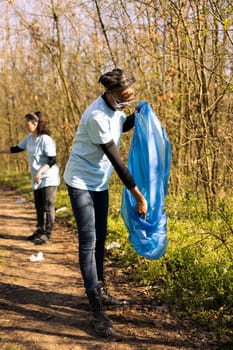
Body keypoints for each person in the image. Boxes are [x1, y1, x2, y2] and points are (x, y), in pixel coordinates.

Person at [64, 68, 148, 337]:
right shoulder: (96, 116)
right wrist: (139, 196)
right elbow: (116, 160)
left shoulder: (115, 108)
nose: (128, 100)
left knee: (102, 237)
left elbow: (121, 125)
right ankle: (96, 308)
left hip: (99, 182)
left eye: (132, 96)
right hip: (80, 181)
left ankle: (100, 289)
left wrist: (138, 117)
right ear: (110, 93)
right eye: (125, 96)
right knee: (88, 241)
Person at [0, 111, 60, 245]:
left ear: (35, 123)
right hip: (37, 178)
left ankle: (47, 233)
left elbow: (52, 160)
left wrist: (40, 172)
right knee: (39, 205)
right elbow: (16, 149)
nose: (25, 125)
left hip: (48, 177)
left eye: (27, 123)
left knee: (47, 205)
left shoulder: (46, 140)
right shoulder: (29, 138)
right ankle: (39, 230)